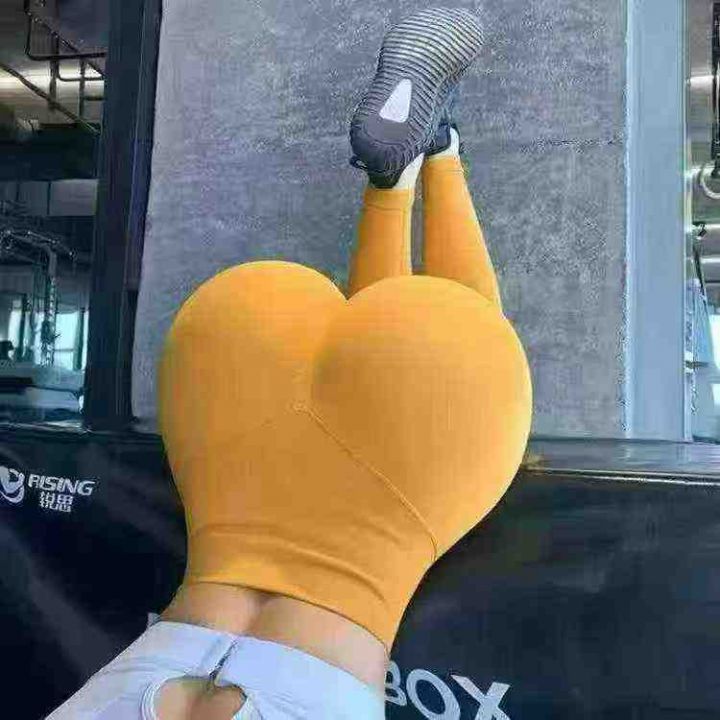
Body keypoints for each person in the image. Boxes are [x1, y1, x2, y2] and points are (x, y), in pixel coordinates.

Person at [46, 7, 532, 719]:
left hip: (324, 646)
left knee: (455, 350)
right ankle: (422, 154)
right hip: (177, 630)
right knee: (410, 350)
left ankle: (431, 156)